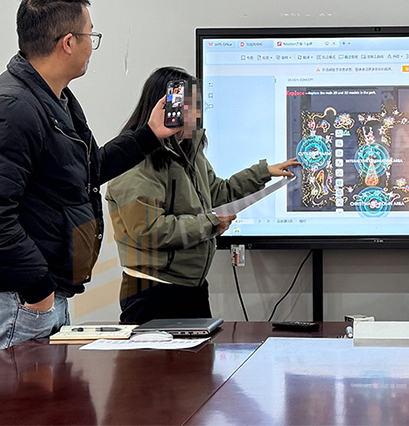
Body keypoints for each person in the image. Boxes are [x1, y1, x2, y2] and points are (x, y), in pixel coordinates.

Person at [0, 0, 179, 362]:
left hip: (35, 294)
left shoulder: (55, 100)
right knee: (5, 399)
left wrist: (149, 135)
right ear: (68, 43)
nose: (92, 45)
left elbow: (87, 172)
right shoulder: (11, 108)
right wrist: (39, 291)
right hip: (13, 297)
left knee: (44, 399)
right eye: (91, 34)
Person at [105, 67, 299, 324]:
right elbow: (149, 230)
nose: (196, 115)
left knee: (202, 351)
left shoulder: (188, 150)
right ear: (163, 107)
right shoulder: (136, 160)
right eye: (189, 107)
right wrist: (210, 222)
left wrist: (263, 173)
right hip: (153, 291)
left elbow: (217, 194)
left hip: (191, 288)